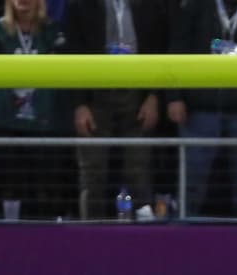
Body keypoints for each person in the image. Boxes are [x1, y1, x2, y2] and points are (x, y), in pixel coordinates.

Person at [166, 0, 237, 218]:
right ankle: (185, 228)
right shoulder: (195, 6)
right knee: (192, 179)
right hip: (201, 105)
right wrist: (174, 96)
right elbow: (178, 48)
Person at [65, 0, 169, 219]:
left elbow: (161, 48)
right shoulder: (80, 5)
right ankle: (90, 234)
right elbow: (72, 53)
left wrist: (154, 96)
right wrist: (79, 104)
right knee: (93, 173)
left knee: (138, 171)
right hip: (95, 94)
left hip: (138, 93)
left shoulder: (152, 5)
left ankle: (145, 234)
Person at [0, 0, 68, 220]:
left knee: (42, 188)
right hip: (5, 121)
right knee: (6, 185)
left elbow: (61, 64)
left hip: (42, 121)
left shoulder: (51, 29)